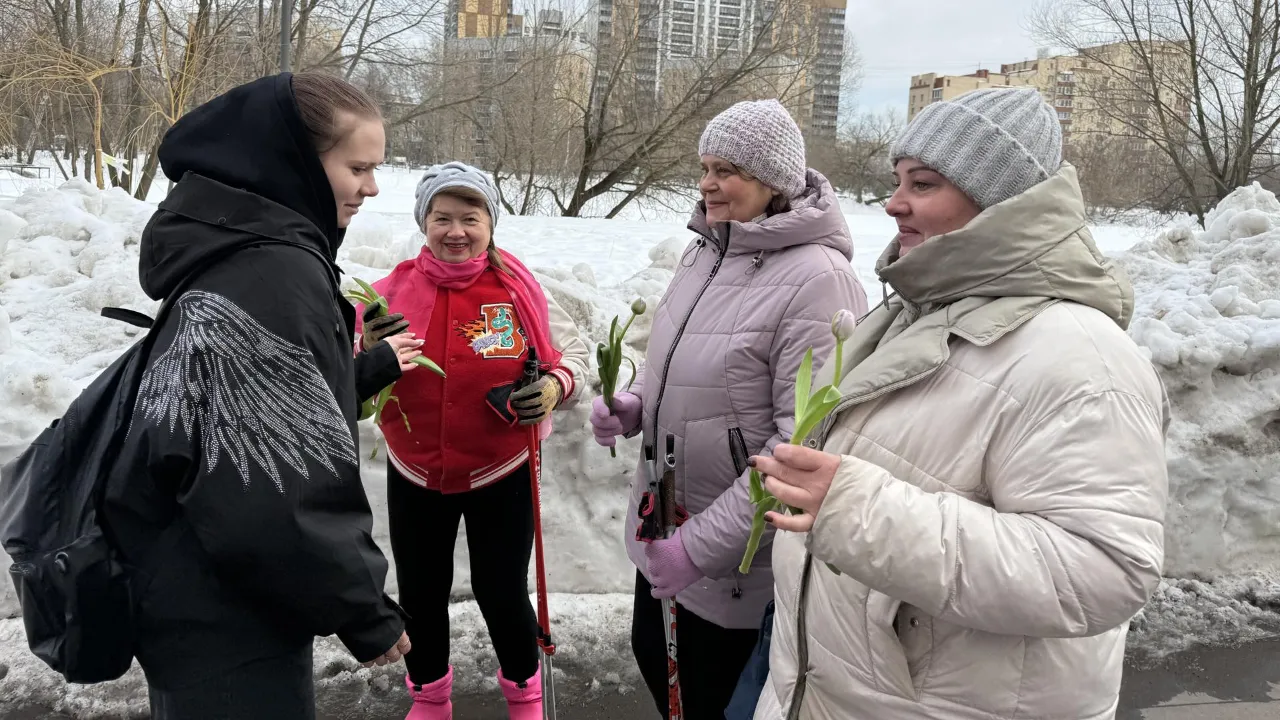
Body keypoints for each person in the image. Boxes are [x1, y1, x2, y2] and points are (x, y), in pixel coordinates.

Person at [750, 87, 1169, 720]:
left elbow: (1106, 572)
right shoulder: (911, 315)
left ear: (1000, 200)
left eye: (922, 184)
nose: (893, 204)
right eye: (897, 181)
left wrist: (862, 510)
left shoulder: (1081, 356)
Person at [101, 73, 420, 719]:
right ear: (296, 160)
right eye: (357, 166)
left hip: (199, 593)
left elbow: (240, 411)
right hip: (229, 615)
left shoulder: (241, 252)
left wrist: (362, 370)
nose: (373, 186)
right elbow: (273, 487)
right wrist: (363, 609)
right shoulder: (273, 272)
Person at [589, 99, 869, 719]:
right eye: (705, 167)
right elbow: (693, 371)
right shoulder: (706, 251)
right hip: (667, 523)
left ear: (773, 181)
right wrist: (636, 407)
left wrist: (698, 549)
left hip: (735, 561)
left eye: (727, 170)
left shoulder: (820, 280)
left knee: (712, 699)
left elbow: (799, 449)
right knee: (661, 672)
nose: (708, 183)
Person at [354, 162, 590, 720]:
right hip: (417, 470)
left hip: (500, 466)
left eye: (470, 217)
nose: (455, 231)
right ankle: (431, 699)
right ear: (424, 222)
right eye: (442, 218)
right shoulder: (388, 293)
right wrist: (366, 349)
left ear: (490, 222)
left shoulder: (520, 290)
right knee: (421, 594)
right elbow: (351, 379)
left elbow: (573, 355)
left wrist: (557, 386)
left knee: (501, 590)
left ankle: (525, 695)